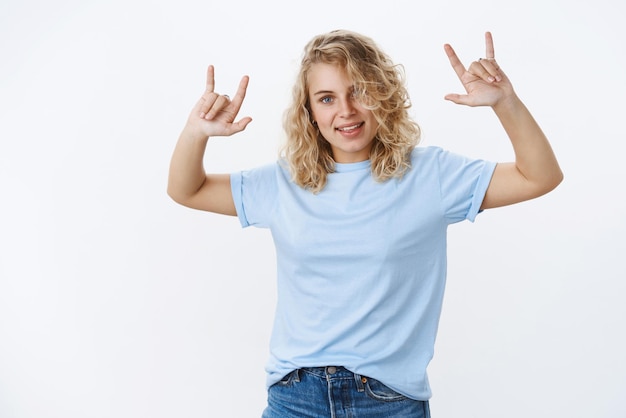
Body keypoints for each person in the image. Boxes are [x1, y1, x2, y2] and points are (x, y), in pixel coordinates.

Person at [167, 29, 562, 418]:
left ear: (383, 93)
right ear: (309, 112)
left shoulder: (431, 175)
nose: (346, 111)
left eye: (359, 91)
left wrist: (505, 102)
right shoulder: (283, 183)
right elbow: (188, 190)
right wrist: (196, 132)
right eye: (327, 98)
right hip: (296, 397)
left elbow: (539, 176)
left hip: (388, 400)